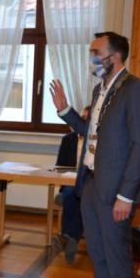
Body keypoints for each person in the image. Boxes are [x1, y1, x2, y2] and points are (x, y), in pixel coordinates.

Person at [51, 32, 140, 278]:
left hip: (116, 192)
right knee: (98, 257)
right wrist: (66, 111)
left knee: (118, 260)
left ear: (115, 55)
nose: (93, 59)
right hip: (92, 184)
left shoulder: (135, 90)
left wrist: (126, 196)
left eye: (96, 53)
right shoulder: (100, 90)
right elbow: (92, 133)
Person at [51, 106, 91, 264]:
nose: (82, 121)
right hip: (70, 182)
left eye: (86, 119)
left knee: (80, 201)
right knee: (74, 198)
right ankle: (71, 239)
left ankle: (66, 237)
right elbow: (60, 166)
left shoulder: (97, 143)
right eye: (81, 118)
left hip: (88, 185)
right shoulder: (68, 139)